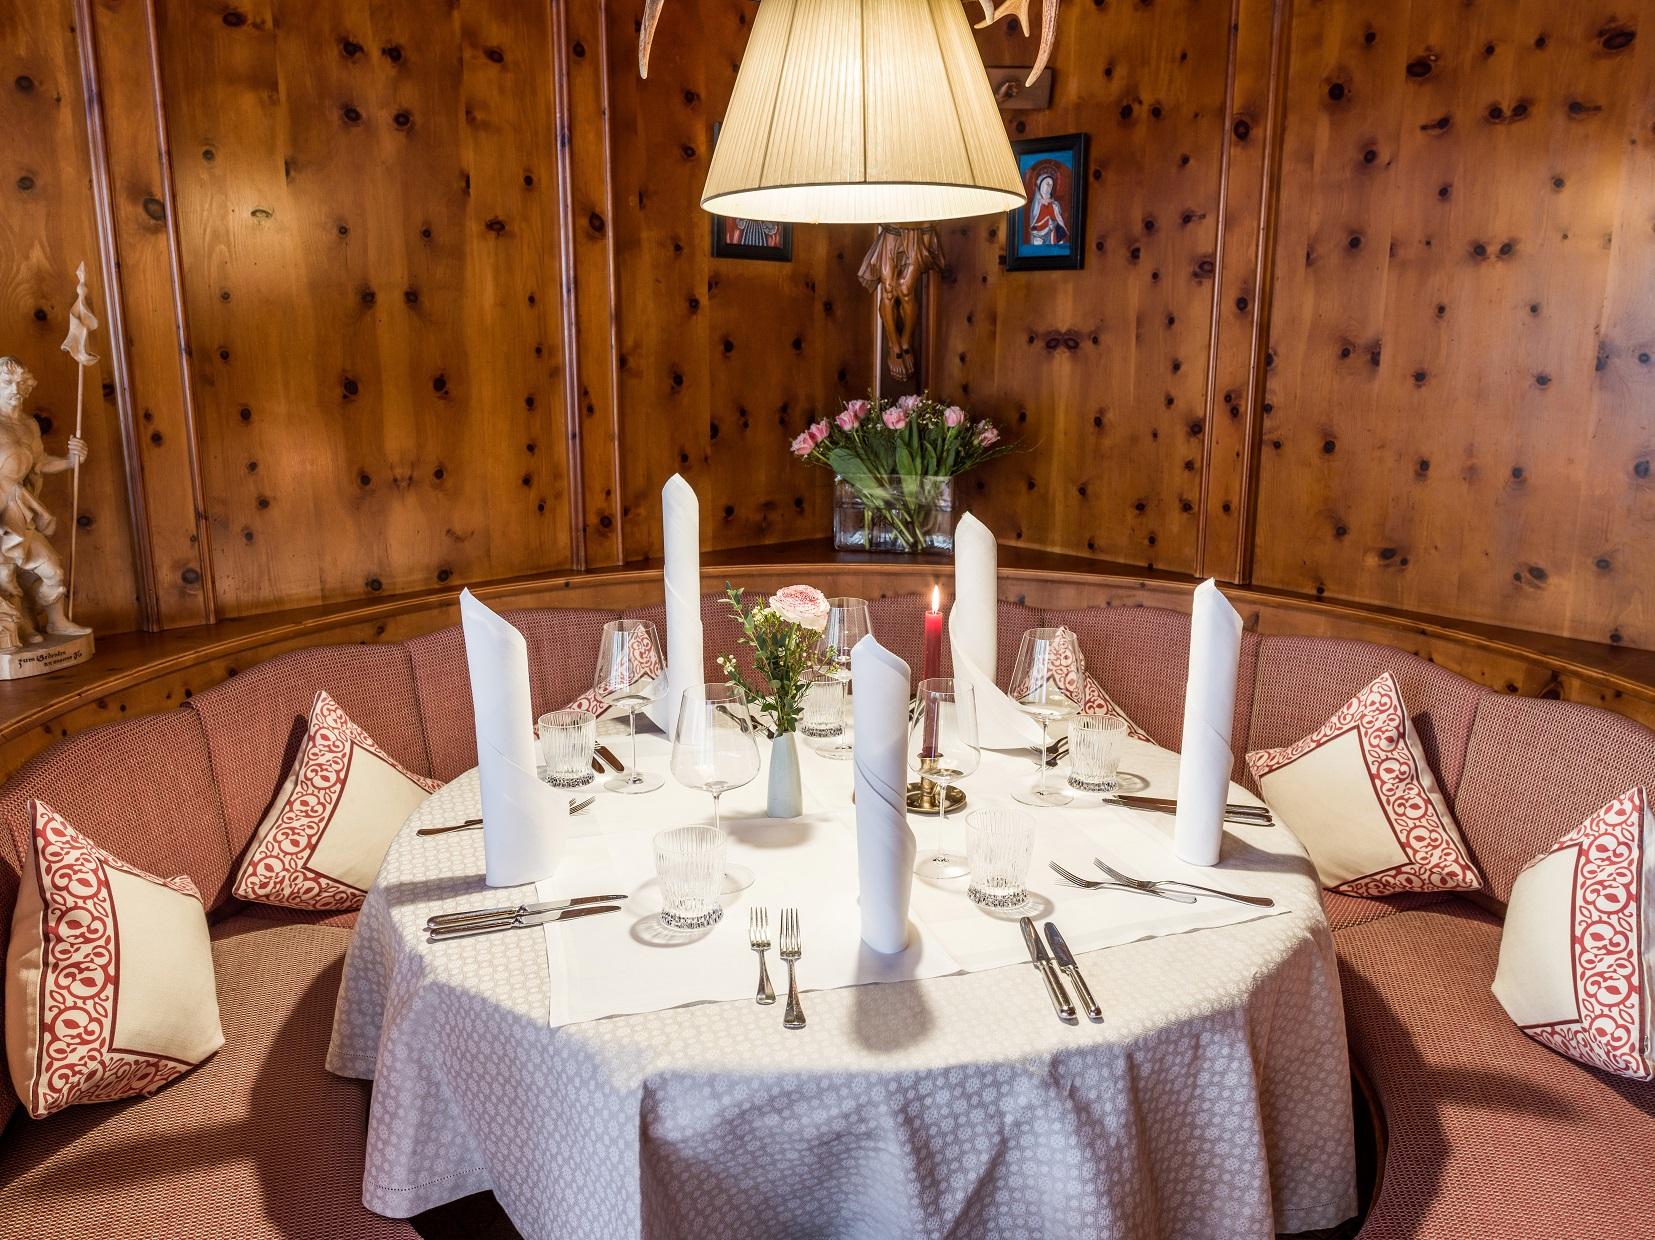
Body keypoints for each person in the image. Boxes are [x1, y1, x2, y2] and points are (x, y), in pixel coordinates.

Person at [0, 356, 90, 639]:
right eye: (7, 382)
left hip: (21, 506)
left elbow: (39, 462)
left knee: (53, 571)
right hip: (1, 509)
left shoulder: (28, 424)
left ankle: (56, 621)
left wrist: (70, 461)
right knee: (5, 578)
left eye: (20, 383)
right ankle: (20, 629)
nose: (15, 389)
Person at [1028, 173, 1068, 247]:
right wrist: (1042, 202)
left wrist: (1054, 207)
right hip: (1039, 232)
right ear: (1040, 185)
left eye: (1051, 185)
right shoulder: (1037, 204)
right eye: (1046, 184)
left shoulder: (1054, 204)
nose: (1048, 187)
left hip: (1054, 232)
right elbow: (1034, 216)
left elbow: (1058, 218)